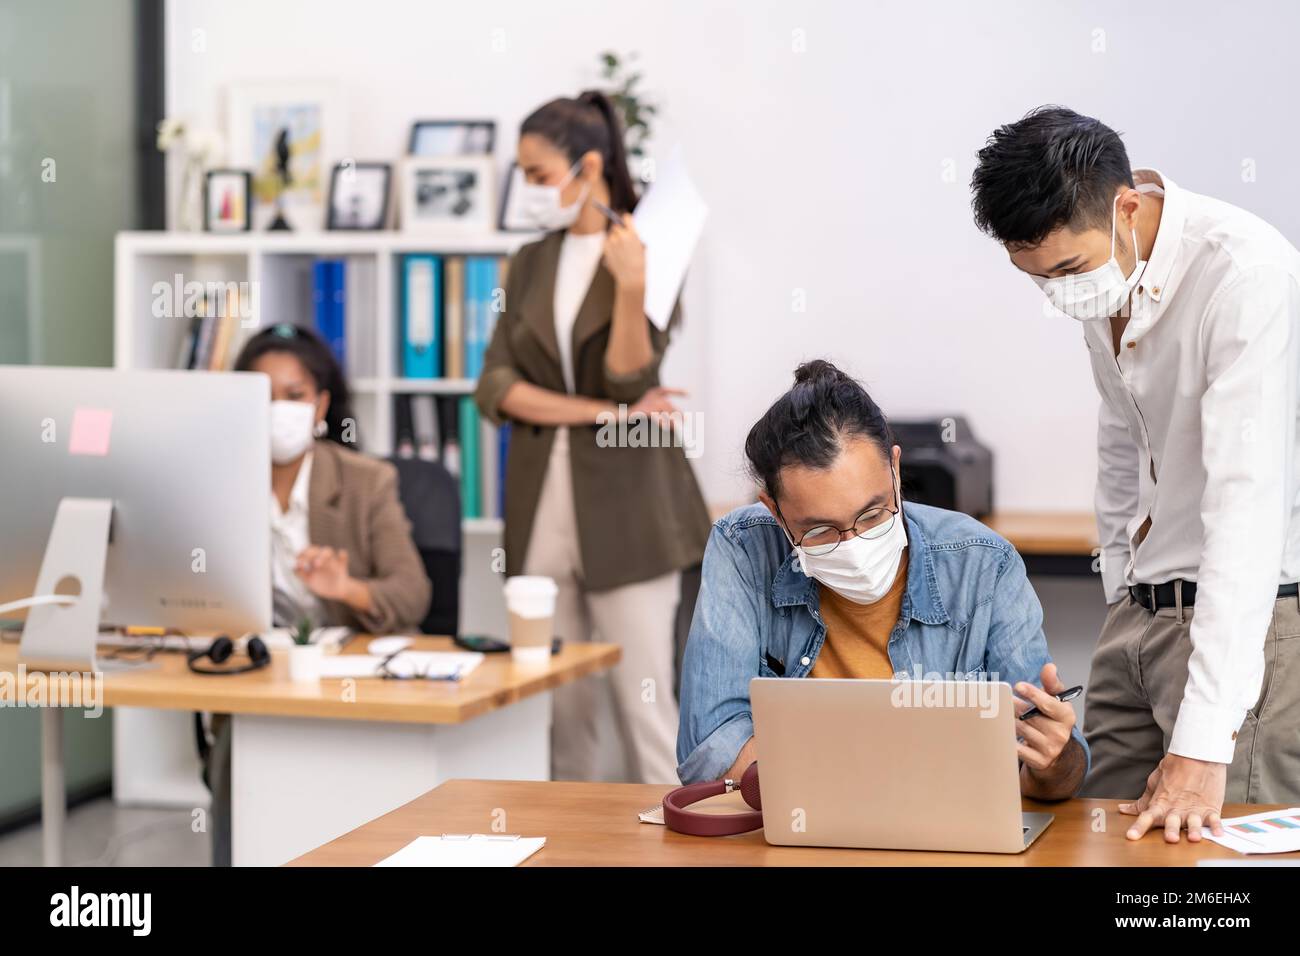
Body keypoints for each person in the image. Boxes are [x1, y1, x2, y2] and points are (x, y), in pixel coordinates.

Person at [970, 105, 1300, 842]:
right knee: (1096, 847)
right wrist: (1120, 583)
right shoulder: (1107, 275)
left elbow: (1248, 510)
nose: (1057, 293)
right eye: (1035, 277)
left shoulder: (1245, 277)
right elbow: (1121, 437)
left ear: (1127, 207)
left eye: (1065, 271)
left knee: (1217, 880)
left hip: (1246, 631)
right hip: (1139, 619)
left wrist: (1204, 740)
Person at [677, 360, 1089, 801]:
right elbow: (709, 749)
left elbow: (1053, 773)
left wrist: (1055, 758)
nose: (854, 546)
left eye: (872, 515)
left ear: (894, 468)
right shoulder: (742, 546)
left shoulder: (984, 563)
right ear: (775, 511)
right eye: (820, 531)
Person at [474, 91, 711, 784]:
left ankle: (674, 845)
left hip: (631, 508)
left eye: (538, 174)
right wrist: (601, 416)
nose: (529, 190)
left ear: (589, 165)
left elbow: (629, 374)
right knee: (558, 706)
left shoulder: (651, 244)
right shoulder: (529, 263)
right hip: (540, 501)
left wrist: (632, 289)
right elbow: (494, 386)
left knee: (645, 704)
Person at [204, 323, 431, 866]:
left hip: (352, 683)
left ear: (322, 403)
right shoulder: (217, 479)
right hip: (256, 683)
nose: (278, 409)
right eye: (262, 395)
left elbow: (413, 594)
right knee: (243, 777)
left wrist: (347, 588)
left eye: (294, 395)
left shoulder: (365, 481)